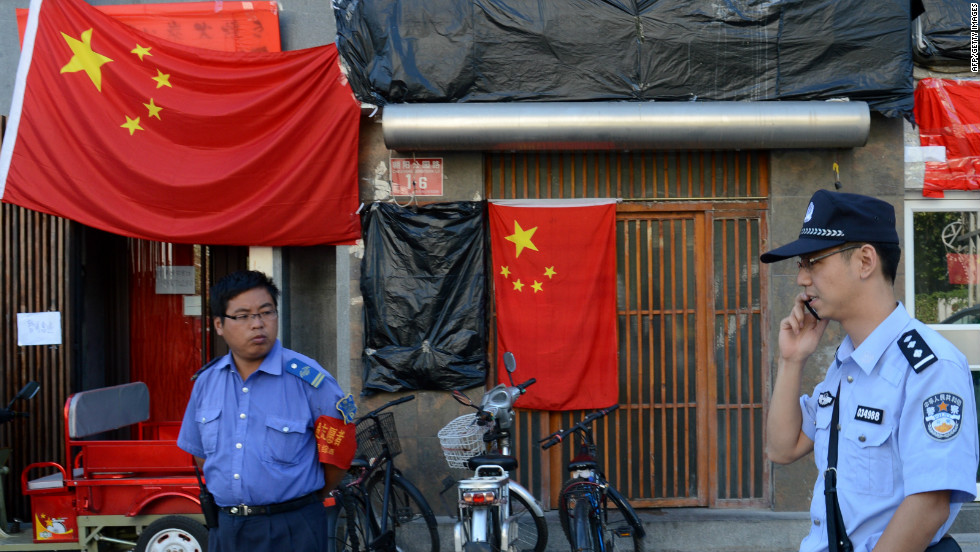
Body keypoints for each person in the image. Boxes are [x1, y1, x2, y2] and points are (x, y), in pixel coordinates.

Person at [763, 189, 979, 552]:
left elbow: (928, 506)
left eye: (812, 261)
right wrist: (792, 359)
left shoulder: (929, 368)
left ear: (865, 261)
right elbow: (782, 449)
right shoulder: (846, 364)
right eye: (802, 264)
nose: (802, 278)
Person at [177, 270, 356, 552]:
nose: (258, 324)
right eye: (243, 315)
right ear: (219, 325)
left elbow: (338, 453)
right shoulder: (206, 383)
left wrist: (304, 499)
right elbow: (201, 454)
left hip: (293, 527)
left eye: (266, 312)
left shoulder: (309, 380)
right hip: (228, 528)